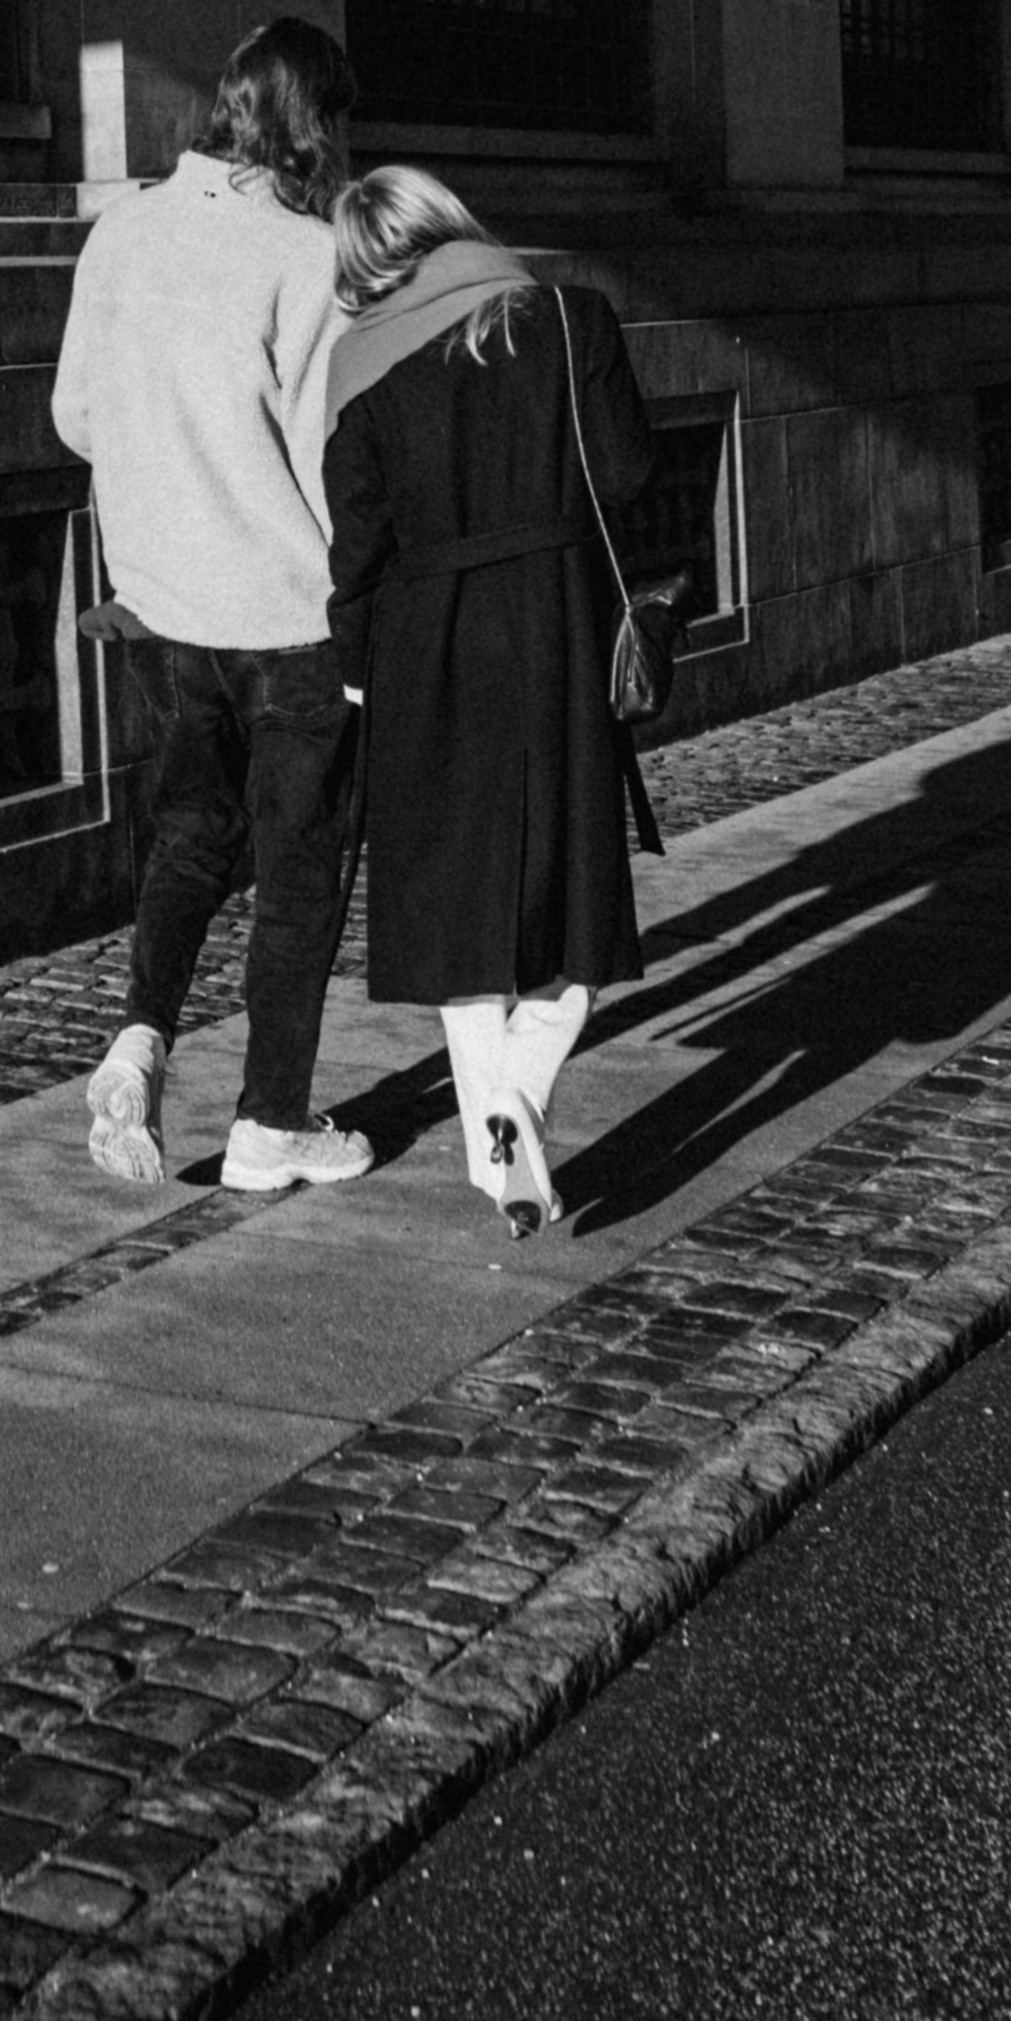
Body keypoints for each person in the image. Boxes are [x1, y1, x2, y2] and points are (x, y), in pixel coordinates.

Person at [51, 16, 373, 1196]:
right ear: (312, 123)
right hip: (285, 611)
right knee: (300, 859)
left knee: (190, 833)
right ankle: (270, 1121)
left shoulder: (122, 228)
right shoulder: (304, 252)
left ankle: (137, 1040)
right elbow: (324, 448)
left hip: (163, 598)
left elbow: (73, 414)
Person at [323, 166, 658, 1236]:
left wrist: (353, 658)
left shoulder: (360, 364)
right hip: (555, 623)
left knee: (458, 908)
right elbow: (629, 473)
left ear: (366, 268)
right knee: (577, 897)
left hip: (423, 642)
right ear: (453, 222)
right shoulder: (570, 316)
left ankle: (488, 1138)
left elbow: (358, 543)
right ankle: (517, 1093)